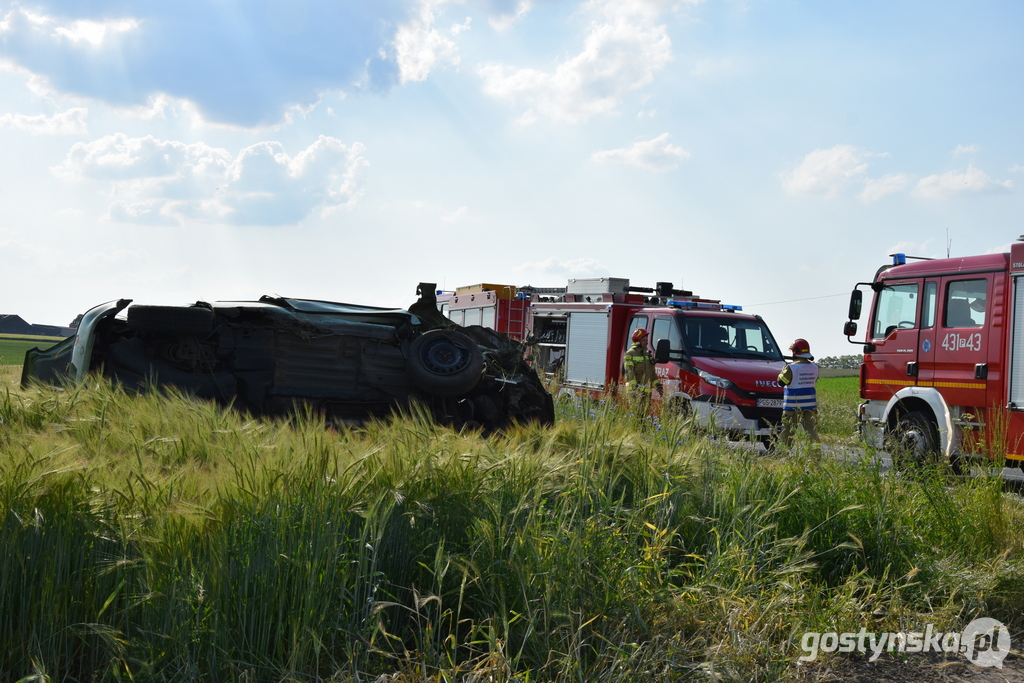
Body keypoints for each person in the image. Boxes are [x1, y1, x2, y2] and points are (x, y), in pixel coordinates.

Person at [776, 338, 820, 449]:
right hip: (810, 405)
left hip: (792, 406)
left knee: (788, 430)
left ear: (795, 352)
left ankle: (783, 453)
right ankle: (815, 454)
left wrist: (783, 371)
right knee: (811, 430)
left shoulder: (791, 367)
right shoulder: (815, 367)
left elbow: (781, 382)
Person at [623, 328, 663, 416]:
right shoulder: (630, 354)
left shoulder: (647, 355)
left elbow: (652, 373)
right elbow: (630, 373)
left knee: (644, 417)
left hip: (646, 393)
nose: (647, 342)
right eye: (644, 340)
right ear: (637, 341)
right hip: (635, 393)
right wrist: (634, 389)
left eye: (647, 340)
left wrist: (658, 386)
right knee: (636, 416)